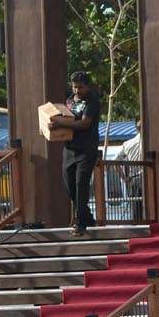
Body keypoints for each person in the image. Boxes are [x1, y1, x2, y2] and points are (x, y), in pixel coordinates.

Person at [61, 71, 101, 236]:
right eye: (75, 87)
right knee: (70, 185)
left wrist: (58, 123)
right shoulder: (69, 100)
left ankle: (81, 223)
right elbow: (64, 117)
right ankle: (88, 217)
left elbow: (84, 123)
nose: (77, 90)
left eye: (81, 87)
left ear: (87, 86)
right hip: (69, 149)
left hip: (86, 149)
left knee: (80, 184)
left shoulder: (92, 101)